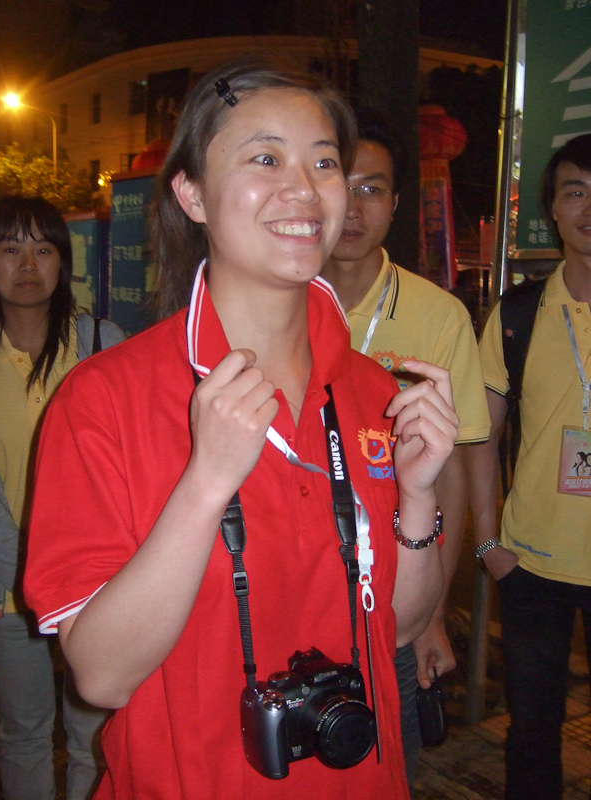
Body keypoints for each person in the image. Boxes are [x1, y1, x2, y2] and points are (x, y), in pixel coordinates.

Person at [23, 58, 458, 800]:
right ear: (190, 193)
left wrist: (418, 501)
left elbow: (396, 630)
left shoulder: (373, 392)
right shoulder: (102, 399)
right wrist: (206, 483)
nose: (305, 188)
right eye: (265, 157)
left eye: (325, 162)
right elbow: (99, 676)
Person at [320, 106, 490, 789]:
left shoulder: (438, 314)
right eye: (342, 183)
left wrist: (432, 614)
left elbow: (448, 476)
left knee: (387, 766)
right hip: (295, 586)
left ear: (395, 204)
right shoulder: (277, 302)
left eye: (374, 188)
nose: (355, 208)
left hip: (394, 591)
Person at [0, 195, 126, 800]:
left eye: (43, 249)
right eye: (10, 248)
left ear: (64, 262)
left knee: (93, 732)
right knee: (22, 731)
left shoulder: (102, 343)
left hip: (93, 582)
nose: (27, 265)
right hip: (0, 584)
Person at [471, 132, 591, 799]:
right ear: (553, 209)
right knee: (532, 733)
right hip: (533, 564)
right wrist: (488, 544)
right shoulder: (519, 313)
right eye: (575, 191)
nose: (589, 207)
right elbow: (482, 435)